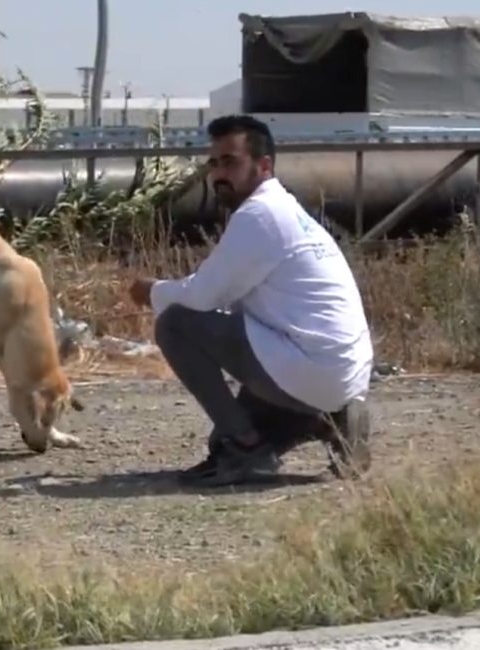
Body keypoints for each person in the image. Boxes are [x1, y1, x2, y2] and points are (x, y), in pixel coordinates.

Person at [126, 114, 374, 488]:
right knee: (218, 440)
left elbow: (201, 297)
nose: (219, 174)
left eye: (231, 162)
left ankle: (248, 449)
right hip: (336, 371)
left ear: (264, 166)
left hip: (309, 366)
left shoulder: (261, 215)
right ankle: (333, 419)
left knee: (176, 322)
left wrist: (151, 291)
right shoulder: (285, 210)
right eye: (214, 163)